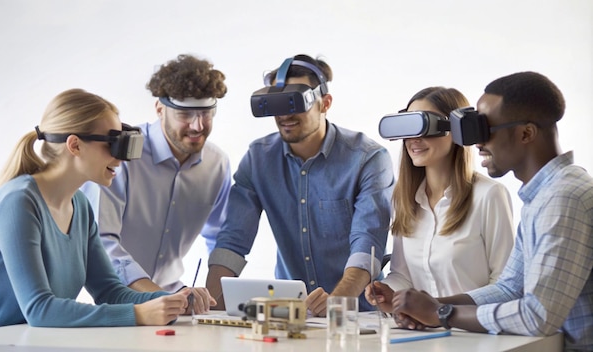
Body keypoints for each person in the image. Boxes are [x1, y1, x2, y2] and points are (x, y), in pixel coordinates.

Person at [0, 89, 215, 330]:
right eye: (113, 144)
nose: (121, 159)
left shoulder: (80, 206)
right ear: (74, 145)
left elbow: (110, 291)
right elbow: (39, 309)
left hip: (25, 343)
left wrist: (173, 301)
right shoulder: (18, 202)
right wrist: (138, 314)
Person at [391, 72, 593, 351]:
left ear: (525, 133)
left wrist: (441, 314)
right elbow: (509, 289)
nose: (476, 143)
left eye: (486, 130)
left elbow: (538, 316)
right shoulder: (542, 197)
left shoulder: (565, 198)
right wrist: (429, 305)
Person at [204, 54, 395, 316]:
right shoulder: (258, 159)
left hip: (358, 315)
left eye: (295, 102)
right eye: (277, 103)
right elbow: (233, 240)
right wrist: (210, 308)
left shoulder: (368, 158)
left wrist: (336, 304)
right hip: (291, 315)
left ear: (325, 103)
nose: (285, 114)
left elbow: (367, 243)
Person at [80, 55, 230, 311]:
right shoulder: (121, 156)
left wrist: (212, 300)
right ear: (160, 109)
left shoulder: (217, 164)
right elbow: (100, 241)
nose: (198, 126)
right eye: (184, 114)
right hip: (119, 302)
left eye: (206, 113)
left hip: (175, 300)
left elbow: (220, 238)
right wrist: (155, 295)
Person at [365, 87, 515, 311]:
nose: (414, 139)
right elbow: (402, 276)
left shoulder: (489, 196)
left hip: (473, 335)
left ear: (456, 130)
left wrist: (440, 309)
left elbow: (506, 286)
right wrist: (388, 291)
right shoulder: (404, 200)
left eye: (425, 127)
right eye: (408, 128)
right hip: (421, 336)